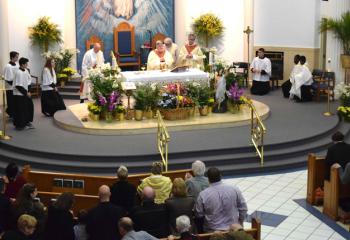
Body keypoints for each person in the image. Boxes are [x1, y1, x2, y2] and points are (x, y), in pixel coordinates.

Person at [195, 167, 247, 232]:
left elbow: (199, 214)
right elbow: (243, 208)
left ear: (208, 179)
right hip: (233, 230)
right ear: (221, 176)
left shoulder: (203, 195)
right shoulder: (234, 189)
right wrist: (240, 222)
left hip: (212, 232)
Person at [12, 57, 34, 130]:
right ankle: (19, 125)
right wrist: (26, 93)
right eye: (26, 63)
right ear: (22, 64)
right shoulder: (18, 72)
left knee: (28, 108)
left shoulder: (26, 71)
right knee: (20, 110)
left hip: (25, 93)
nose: (27, 65)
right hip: (19, 94)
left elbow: (29, 81)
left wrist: (29, 91)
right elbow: (18, 85)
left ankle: (26, 122)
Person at [3, 51, 19, 119]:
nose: (17, 58)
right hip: (10, 87)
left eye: (18, 57)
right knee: (11, 101)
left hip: (15, 86)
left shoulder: (16, 65)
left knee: (15, 101)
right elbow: (8, 79)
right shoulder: (8, 66)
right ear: (12, 57)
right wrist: (15, 85)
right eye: (16, 57)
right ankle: (11, 114)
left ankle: (12, 113)